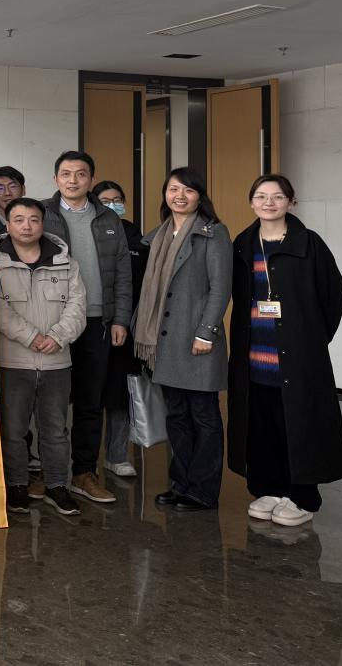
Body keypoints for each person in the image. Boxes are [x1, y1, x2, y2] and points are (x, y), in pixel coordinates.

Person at [228, 175, 342, 527]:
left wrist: (311, 340)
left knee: (298, 427)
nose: (269, 203)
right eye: (261, 196)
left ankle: (303, 498)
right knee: (261, 426)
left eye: (278, 196)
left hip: (297, 360)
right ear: (251, 202)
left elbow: (333, 296)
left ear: (291, 202)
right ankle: (269, 489)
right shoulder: (243, 244)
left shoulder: (309, 243)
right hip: (255, 357)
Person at [133, 168, 230, 512]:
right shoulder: (158, 235)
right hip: (164, 342)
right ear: (165, 194)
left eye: (188, 190)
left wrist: (207, 331)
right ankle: (181, 483)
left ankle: (203, 490)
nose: (180, 196)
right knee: (176, 415)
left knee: (203, 415)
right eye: (174, 189)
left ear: (199, 196)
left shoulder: (212, 233)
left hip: (197, 339)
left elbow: (221, 287)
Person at [40, 152, 133, 505]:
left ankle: (83, 473)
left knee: (90, 401)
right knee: (49, 402)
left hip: (97, 321)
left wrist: (120, 318)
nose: (73, 180)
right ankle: (48, 476)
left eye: (81, 174)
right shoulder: (42, 214)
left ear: (91, 180)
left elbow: (122, 272)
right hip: (52, 321)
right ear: (55, 179)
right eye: (66, 174)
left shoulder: (108, 218)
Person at [0, 198, 86, 517]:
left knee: (56, 429)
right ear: (7, 225)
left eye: (33, 219)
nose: (26, 226)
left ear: (43, 224)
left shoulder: (66, 262)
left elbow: (77, 307)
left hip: (57, 361)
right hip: (12, 362)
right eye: (18, 220)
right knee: (13, 429)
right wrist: (31, 337)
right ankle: (17, 485)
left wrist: (57, 336)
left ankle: (57, 486)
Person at [93, 180, 147, 478]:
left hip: (127, 326)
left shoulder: (135, 235)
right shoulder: (89, 229)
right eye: (105, 200)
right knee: (89, 396)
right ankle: (82, 464)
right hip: (92, 323)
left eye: (117, 199)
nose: (112, 205)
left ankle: (116, 455)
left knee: (119, 394)